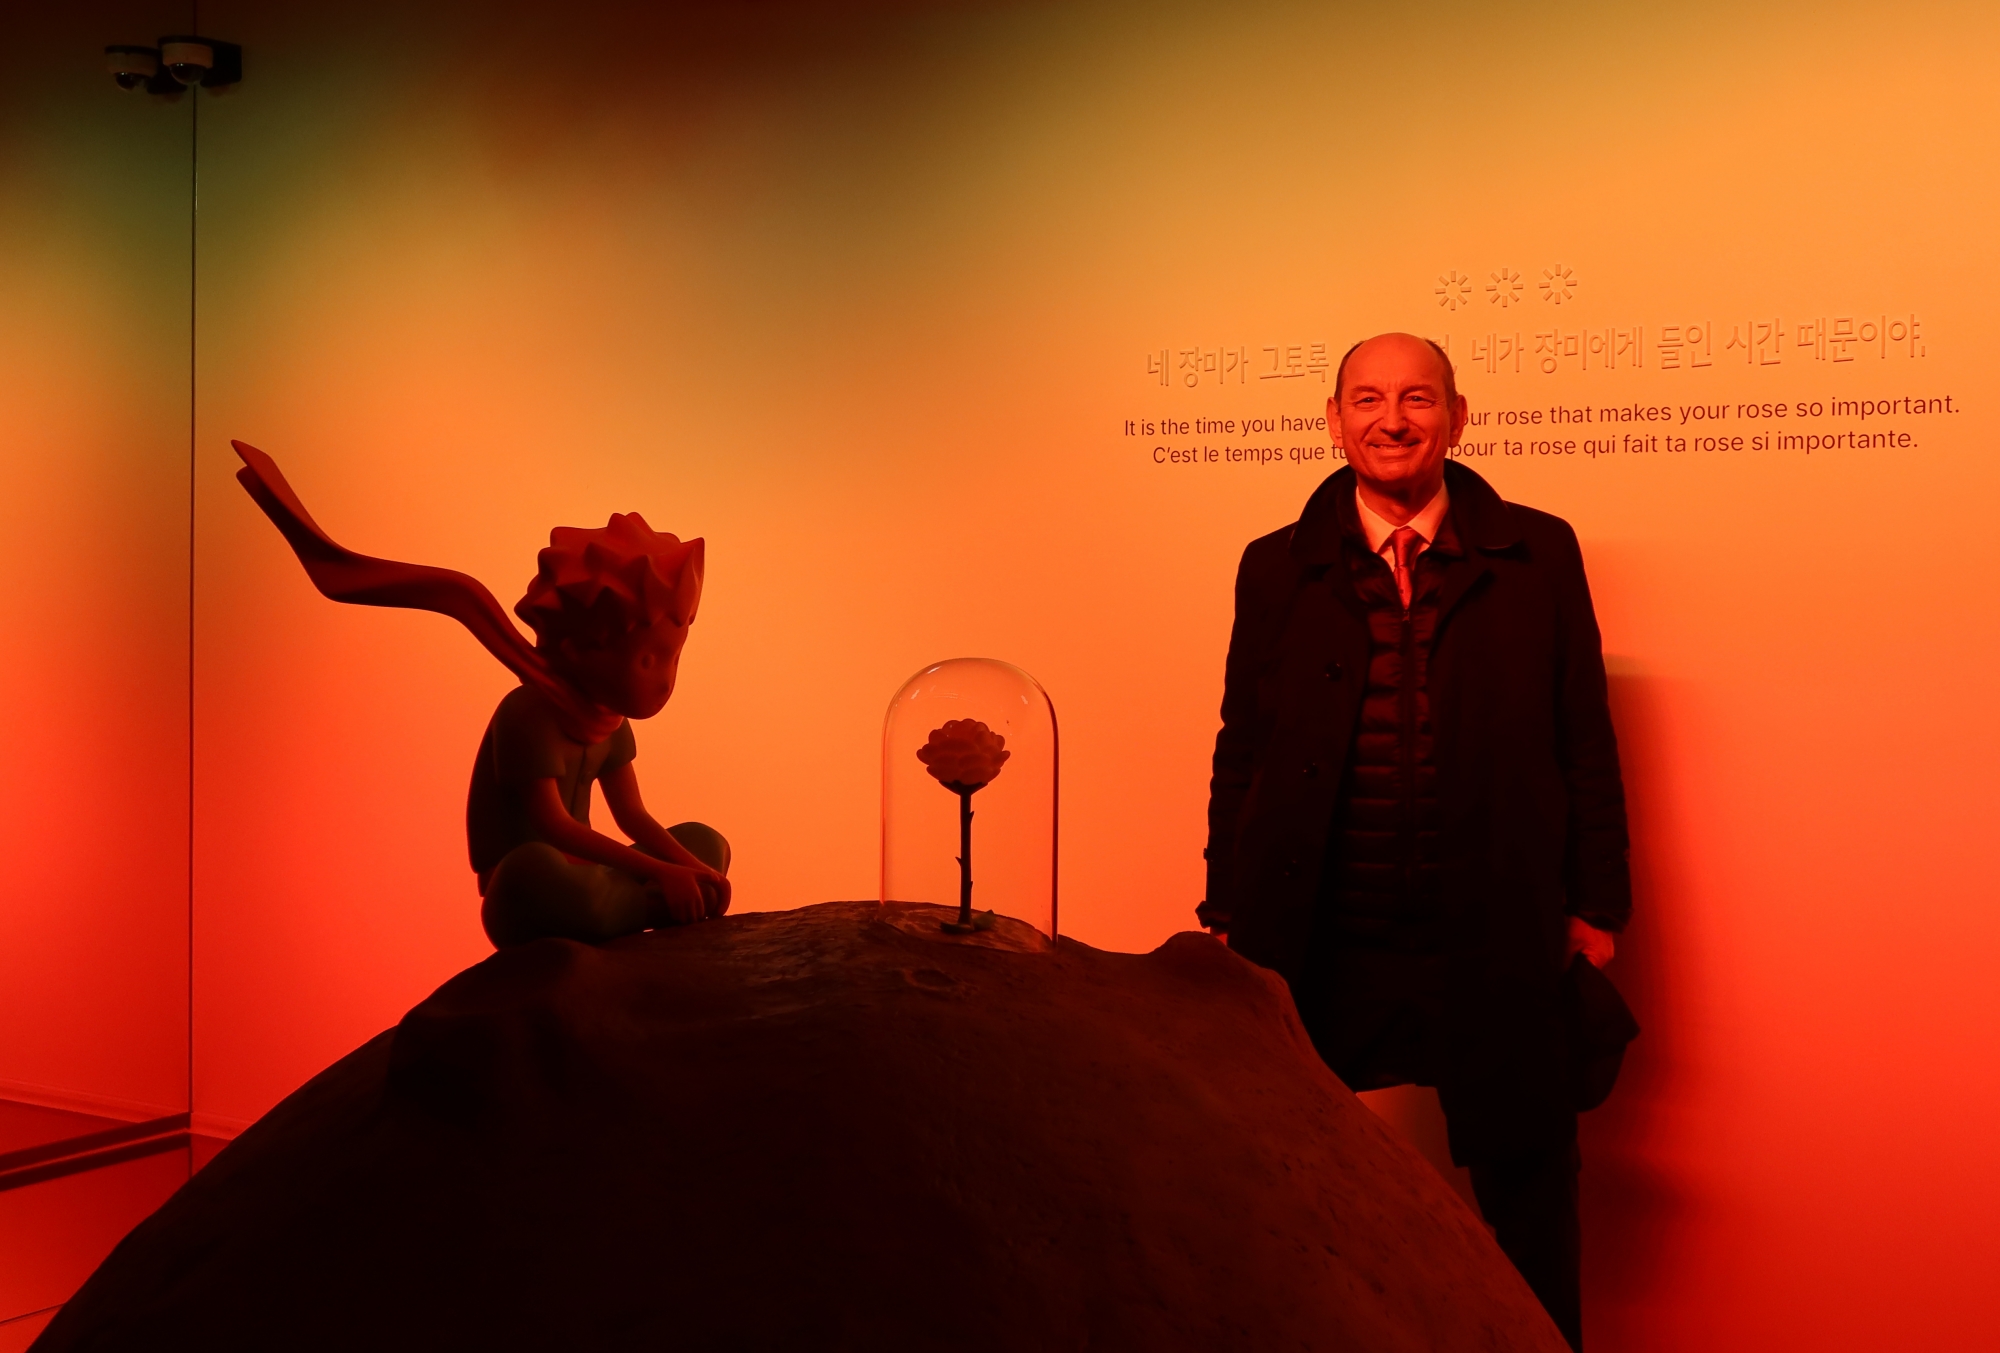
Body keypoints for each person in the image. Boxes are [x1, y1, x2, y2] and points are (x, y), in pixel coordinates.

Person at [1198, 333, 1629, 1350]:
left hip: (1493, 934)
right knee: (1289, 1192)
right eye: (1367, 400)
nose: (1390, 420)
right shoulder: (1273, 566)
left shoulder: (1539, 552)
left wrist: (1594, 908)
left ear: (1456, 417)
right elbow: (1239, 744)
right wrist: (1223, 907)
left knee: (1528, 1204)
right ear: (1334, 420)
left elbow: (1584, 738)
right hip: (1321, 939)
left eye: (1415, 399)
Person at [231, 442, 731, 948]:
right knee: (536, 876)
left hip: (594, 873)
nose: (666, 679)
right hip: (530, 879)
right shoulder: (530, 714)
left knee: (707, 843)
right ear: (582, 649)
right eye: (649, 659)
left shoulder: (609, 722)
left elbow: (632, 816)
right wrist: (659, 874)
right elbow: (553, 826)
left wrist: (689, 868)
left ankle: (637, 903)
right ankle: (640, 905)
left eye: (672, 657)